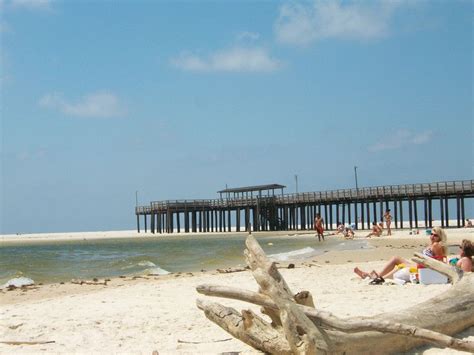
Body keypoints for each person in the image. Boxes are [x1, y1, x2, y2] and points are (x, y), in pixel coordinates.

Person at [354, 226, 447, 281]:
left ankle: (378, 277)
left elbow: (440, 262)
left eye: (435, 235)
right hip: (418, 265)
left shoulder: (436, 245)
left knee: (400, 264)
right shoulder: (432, 245)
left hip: (422, 268)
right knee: (396, 258)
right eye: (431, 234)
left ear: (440, 237)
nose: (432, 236)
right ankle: (375, 276)